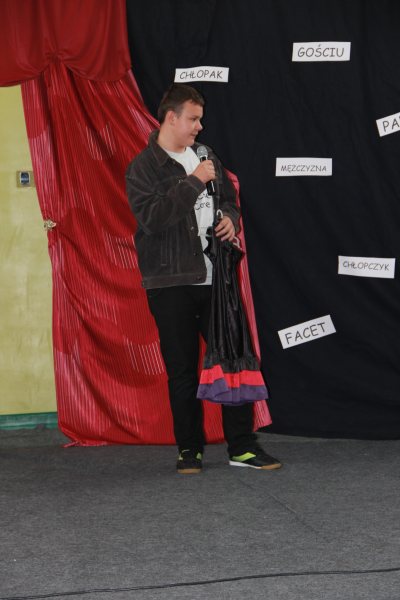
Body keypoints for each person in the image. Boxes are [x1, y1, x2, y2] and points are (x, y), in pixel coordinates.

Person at [126, 83, 281, 474]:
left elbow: (227, 198)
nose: (200, 126)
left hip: (217, 280)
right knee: (182, 371)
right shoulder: (143, 167)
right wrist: (194, 180)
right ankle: (189, 450)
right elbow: (154, 219)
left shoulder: (207, 155)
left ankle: (242, 447)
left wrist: (230, 218)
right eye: (193, 119)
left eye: (200, 119)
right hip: (170, 283)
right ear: (171, 118)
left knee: (233, 361)